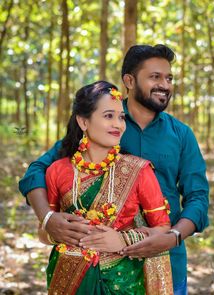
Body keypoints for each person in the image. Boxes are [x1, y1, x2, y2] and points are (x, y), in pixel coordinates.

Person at [19, 44, 209, 294]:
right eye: (155, 77)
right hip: (90, 269)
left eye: (169, 78)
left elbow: (198, 198)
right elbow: (37, 172)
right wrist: (48, 218)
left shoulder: (181, 134)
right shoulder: (102, 124)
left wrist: (172, 236)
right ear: (129, 80)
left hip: (166, 263)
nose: (165, 84)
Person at [37, 80, 173, 294]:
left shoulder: (138, 170)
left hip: (124, 283)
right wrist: (62, 234)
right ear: (83, 122)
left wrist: (122, 239)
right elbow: (43, 233)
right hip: (67, 279)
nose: (118, 125)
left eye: (121, 117)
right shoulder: (57, 170)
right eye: (108, 116)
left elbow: (163, 231)